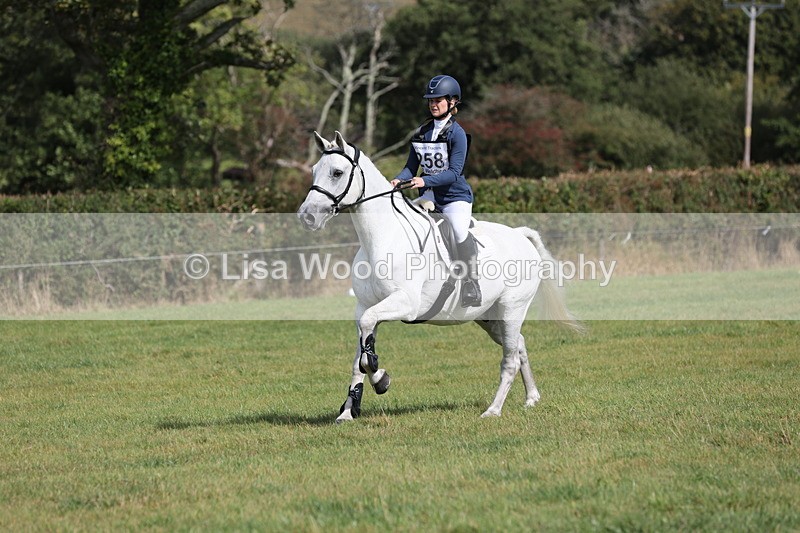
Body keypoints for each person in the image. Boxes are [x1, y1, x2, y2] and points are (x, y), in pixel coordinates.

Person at [390, 74, 481, 307]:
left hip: (454, 197)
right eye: (430, 100)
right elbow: (411, 167)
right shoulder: (421, 132)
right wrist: (397, 180)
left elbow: (454, 172)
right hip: (428, 196)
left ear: (452, 102)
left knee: (459, 231)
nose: (433, 104)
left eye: (438, 100)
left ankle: (472, 284)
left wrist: (424, 182)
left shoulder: (457, 134)